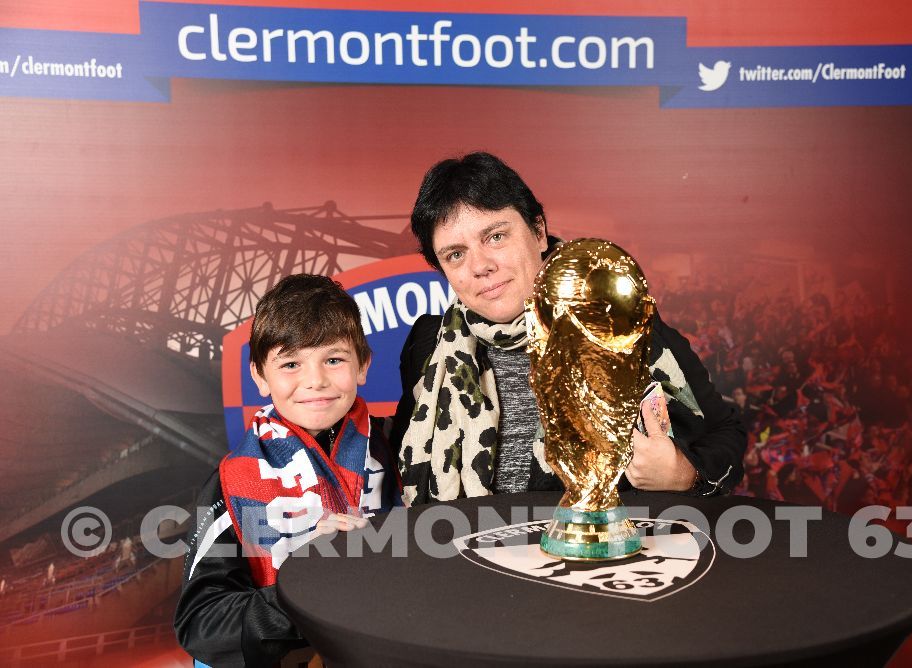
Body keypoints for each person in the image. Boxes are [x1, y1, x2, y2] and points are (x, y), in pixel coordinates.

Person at [392, 152, 747, 504]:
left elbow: (725, 433)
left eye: (496, 237)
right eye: (455, 254)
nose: (480, 266)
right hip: (462, 554)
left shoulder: (617, 324)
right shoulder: (428, 345)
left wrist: (684, 473)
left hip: (599, 558)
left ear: (539, 231)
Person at [175, 274, 403, 667]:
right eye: (291, 363)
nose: (315, 381)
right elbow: (202, 623)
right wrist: (309, 584)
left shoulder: (400, 445)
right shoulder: (231, 482)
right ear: (260, 376)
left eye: (334, 359)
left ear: (363, 365)